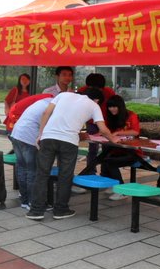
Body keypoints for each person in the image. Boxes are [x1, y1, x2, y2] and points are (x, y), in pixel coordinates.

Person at [26, 87, 119, 221]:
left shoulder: (63, 95)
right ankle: (60, 210)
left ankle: (36, 211)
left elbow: (46, 113)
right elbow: (103, 129)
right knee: (65, 176)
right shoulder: (94, 105)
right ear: (97, 100)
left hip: (48, 138)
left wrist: (41, 134)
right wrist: (113, 139)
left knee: (42, 174)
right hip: (69, 142)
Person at [10, 96, 53, 210]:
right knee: (32, 171)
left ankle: (24, 201)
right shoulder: (52, 106)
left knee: (22, 168)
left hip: (16, 134)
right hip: (29, 137)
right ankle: (33, 202)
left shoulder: (43, 102)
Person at [100, 95, 141, 201]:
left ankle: (122, 190)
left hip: (132, 152)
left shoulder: (131, 115)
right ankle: (113, 184)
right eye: (110, 107)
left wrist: (118, 133)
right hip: (117, 150)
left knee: (110, 162)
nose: (112, 109)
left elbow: (135, 132)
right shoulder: (110, 117)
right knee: (104, 158)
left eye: (114, 107)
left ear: (120, 106)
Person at [76, 72, 116, 176]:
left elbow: (114, 105)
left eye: (99, 89)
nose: (96, 90)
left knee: (107, 148)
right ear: (88, 86)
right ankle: (91, 171)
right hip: (91, 123)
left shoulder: (109, 92)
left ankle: (105, 172)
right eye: (92, 88)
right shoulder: (82, 91)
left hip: (105, 122)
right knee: (93, 147)